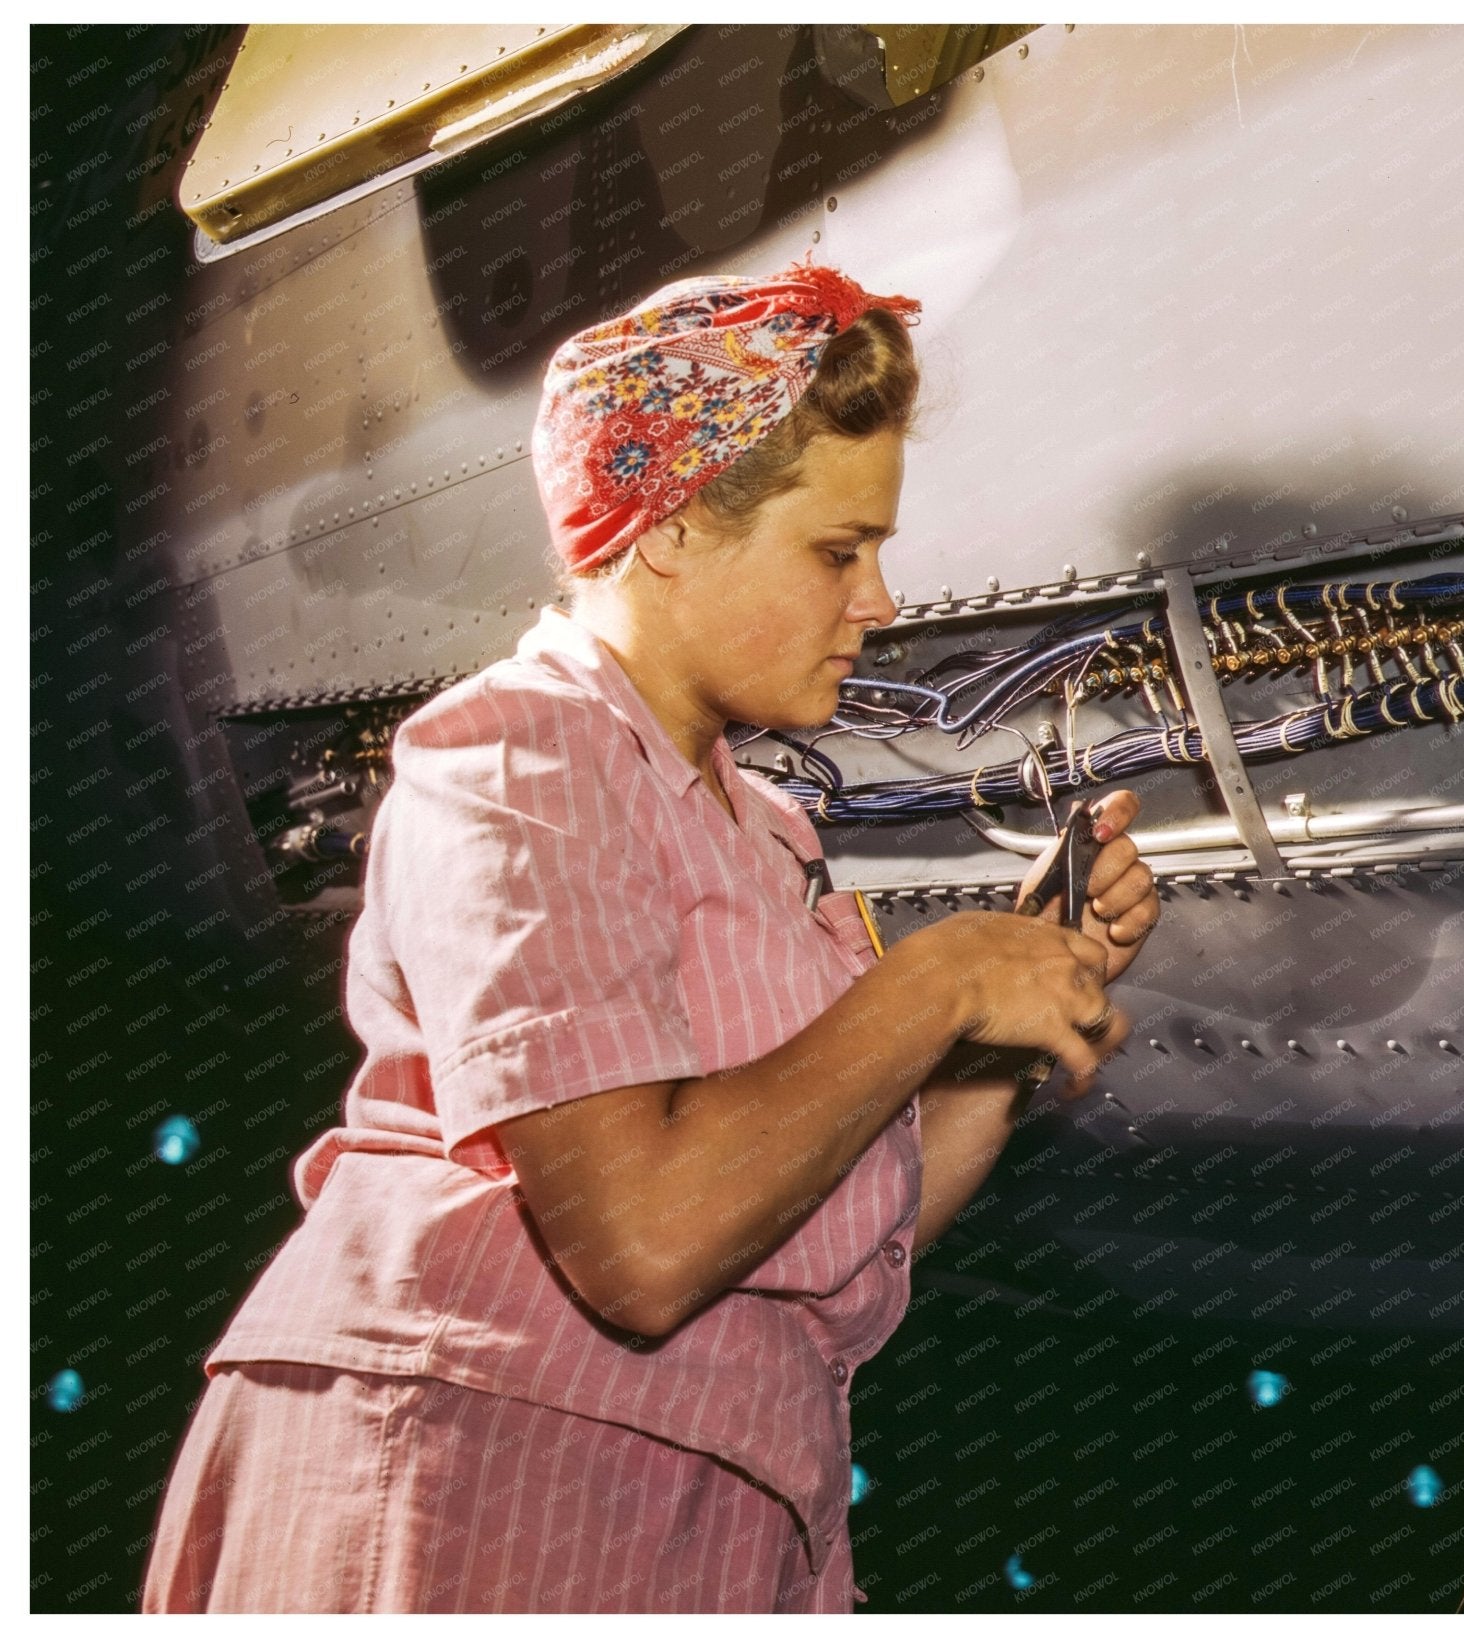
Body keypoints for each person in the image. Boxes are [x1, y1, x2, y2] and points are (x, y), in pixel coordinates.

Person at [141, 260, 1159, 1613]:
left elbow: (836, 1220)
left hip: (701, 1508)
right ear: (672, 528)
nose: (881, 603)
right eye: (838, 550)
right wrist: (933, 980)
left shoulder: (766, 833)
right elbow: (645, 1239)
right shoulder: (517, 755)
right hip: (475, 1483)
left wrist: (1000, 1029)